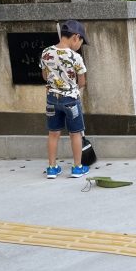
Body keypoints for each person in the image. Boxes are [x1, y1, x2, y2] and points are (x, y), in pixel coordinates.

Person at [40, 19, 90, 180]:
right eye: (81, 42)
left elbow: (44, 76)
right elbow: (82, 81)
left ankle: (52, 168)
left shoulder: (46, 52)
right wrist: (74, 87)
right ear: (75, 37)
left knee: (53, 133)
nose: (80, 45)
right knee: (75, 134)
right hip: (71, 100)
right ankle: (77, 168)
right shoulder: (75, 57)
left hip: (52, 99)